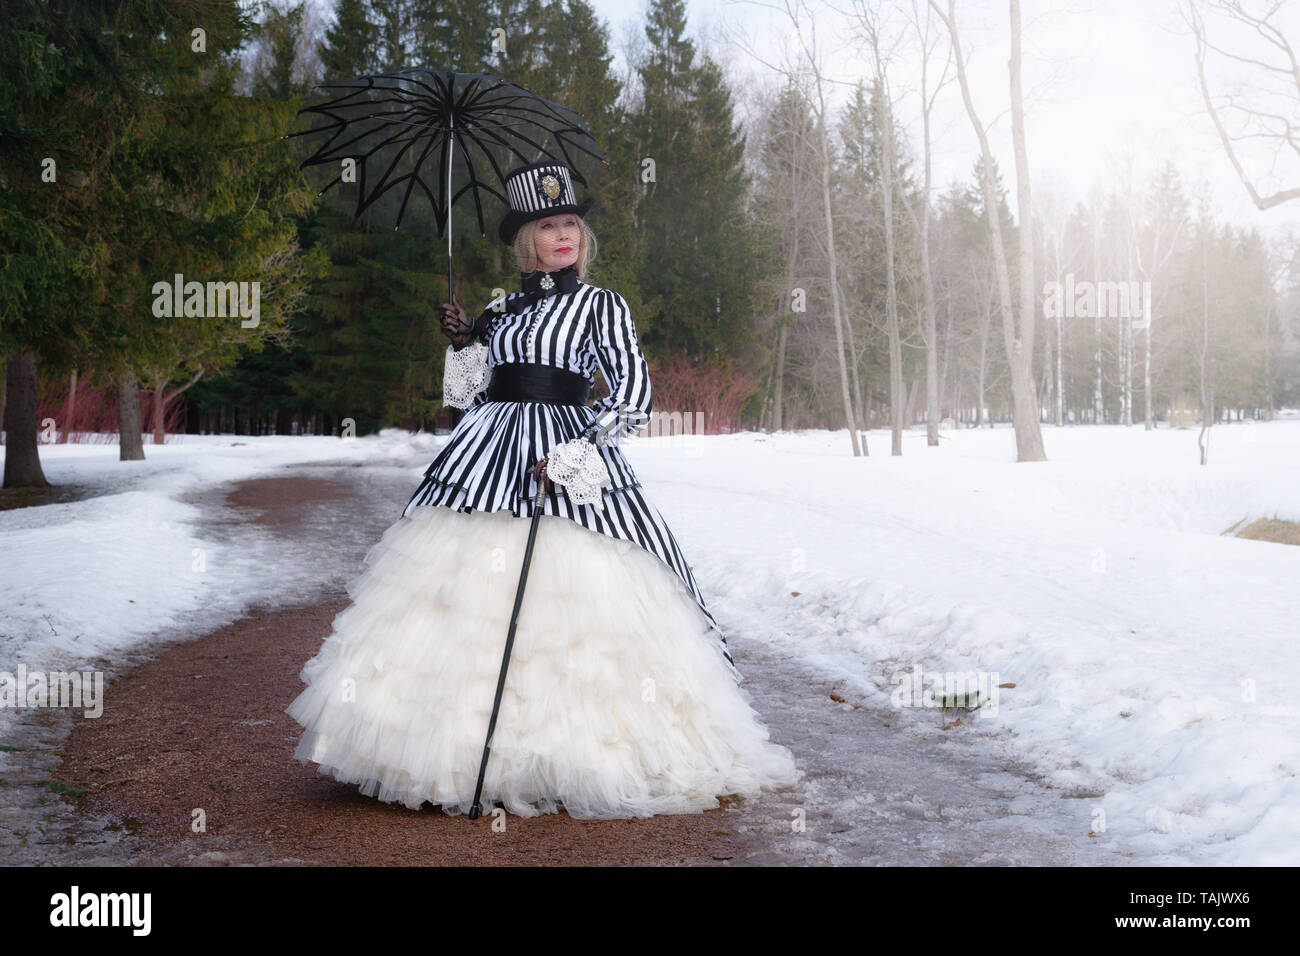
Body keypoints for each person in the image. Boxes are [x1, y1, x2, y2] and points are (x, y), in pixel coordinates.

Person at [286, 160, 800, 819]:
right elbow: (467, 396)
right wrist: (464, 340)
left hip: (565, 452)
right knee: (456, 597)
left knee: (579, 599)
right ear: (526, 238)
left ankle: (574, 754)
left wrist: (578, 453)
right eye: (548, 224)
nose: (564, 235)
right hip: (488, 453)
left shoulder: (600, 305)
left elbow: (635, 396)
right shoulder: (502, 309)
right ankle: (456, 755)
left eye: (571, 223)